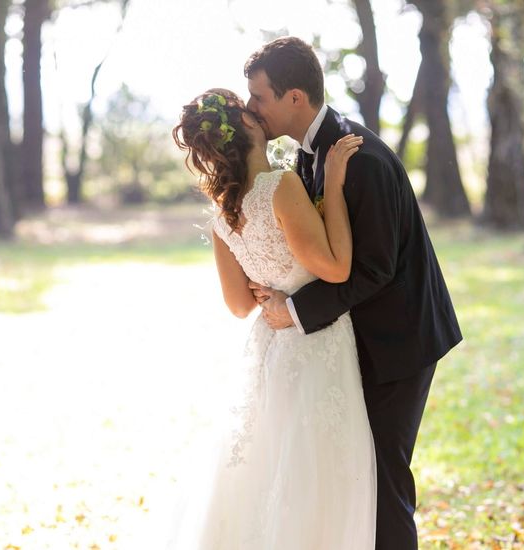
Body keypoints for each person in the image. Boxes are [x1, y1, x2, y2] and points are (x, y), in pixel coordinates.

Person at [244, 37, 462, 550]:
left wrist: (294, 310)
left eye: (259, 97)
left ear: (294, 98)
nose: (252, 108)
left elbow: (376, 270)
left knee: (385, 479)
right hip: (358, 338)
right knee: (357, 475)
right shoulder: (307, 157)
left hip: (399, 343)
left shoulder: (359, 159)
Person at [169, 88, 376, 549]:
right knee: (314, 477)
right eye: (248, 109)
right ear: (242, 129)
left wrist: (272, 293)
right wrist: (335, 185)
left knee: (268, 470)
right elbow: (337, 267)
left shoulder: (223, 214)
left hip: (269, 349)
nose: (256, 110)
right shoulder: (280, 186)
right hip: (316, 346)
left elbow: (240, 306)